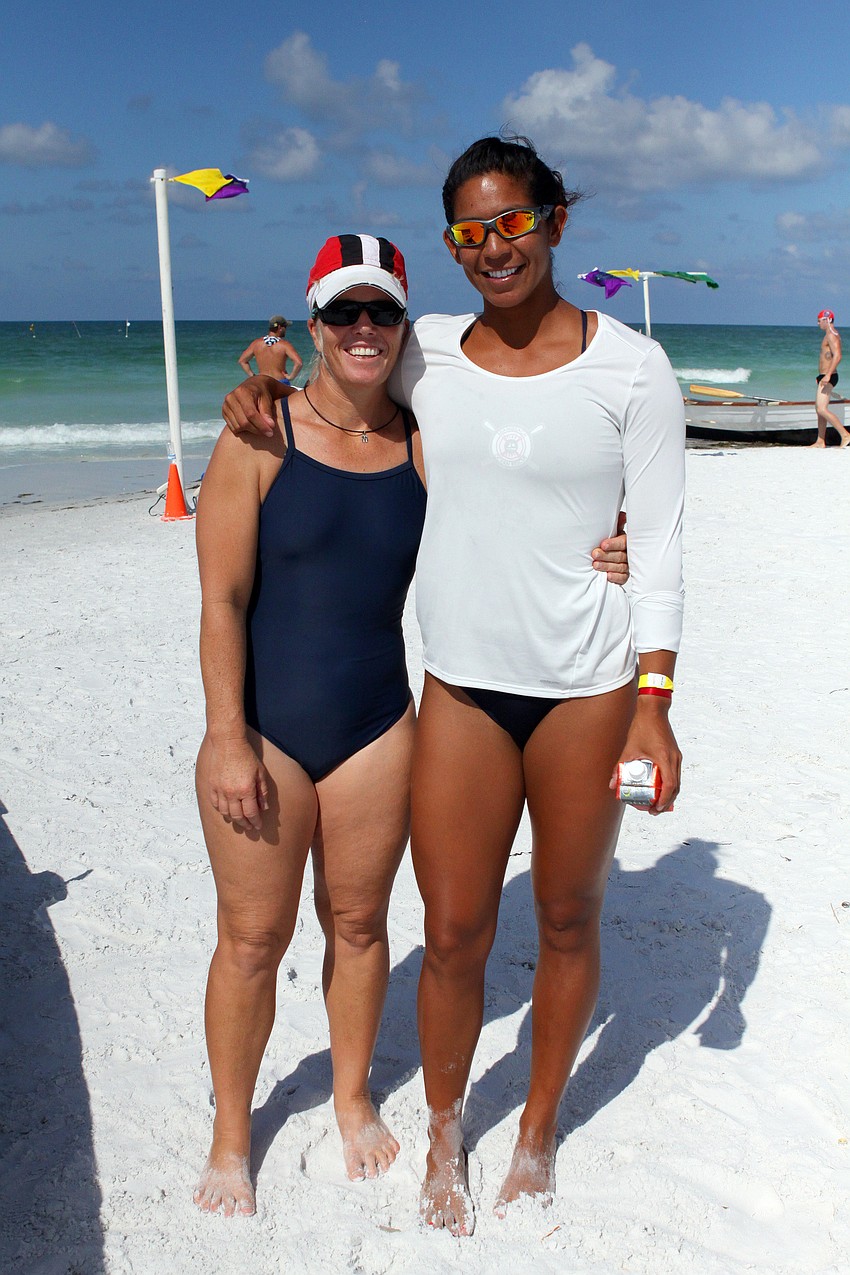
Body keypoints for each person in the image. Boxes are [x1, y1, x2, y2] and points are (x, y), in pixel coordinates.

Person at [220, 136, 671, 1237]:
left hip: (590, 687)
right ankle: (444, 1128)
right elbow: (337, 363)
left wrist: (655, 703)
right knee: (456, 928)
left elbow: (654, 543)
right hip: (463, 689)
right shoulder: (423, 349)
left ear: (555, 220)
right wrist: (263, 371)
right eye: (469, 233)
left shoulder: (633, 367)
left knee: (566, 915)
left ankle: (534, 1131)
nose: (494, 247)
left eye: (512, 222)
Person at [194, 236, 426, 1217]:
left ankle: (350, 1095)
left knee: (362, 924)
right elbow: (220, 599)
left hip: (379, 722)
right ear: (316, 324)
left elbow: (520, 511)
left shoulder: (423, 439)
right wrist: (225, 733)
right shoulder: (259, 435)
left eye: (380, 311)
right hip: (267, 729)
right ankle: (231, 1136)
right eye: (344, 313)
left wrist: (609, 545)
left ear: (402, 323)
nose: (362, 329)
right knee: (252, 937)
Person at [810, 309, 849, 447]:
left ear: (828, 320)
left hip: (830, 375)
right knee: (819, 409)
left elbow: (838, 356)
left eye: (819, 320)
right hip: (824, 375)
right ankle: (820, 441)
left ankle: (845, 435)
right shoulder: (828, 334)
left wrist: (827, 375)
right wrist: (821, 375)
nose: (818, 323)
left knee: (821, 409)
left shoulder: (832, 334)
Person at [237, 315, 303, 384]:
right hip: (280, 383)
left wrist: (253, 376)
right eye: (285, 327)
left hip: (262, 382)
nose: (285, 330)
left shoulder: (256, 343)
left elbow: (242, 361)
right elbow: (299, 363)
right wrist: (291, 377)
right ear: (280, 328)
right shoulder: (284, 345)